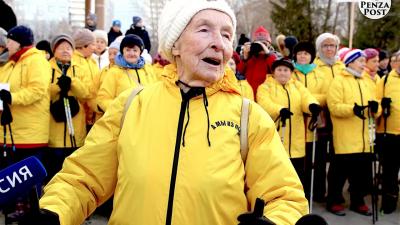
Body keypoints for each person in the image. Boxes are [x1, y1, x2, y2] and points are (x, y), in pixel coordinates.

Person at [25, 1, 308, 224]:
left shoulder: (249, 117)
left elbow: (285, 197)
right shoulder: (131, 104)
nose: (219, 43)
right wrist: (53, 213)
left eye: (226, 34)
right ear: (175, 45)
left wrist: (276, 222)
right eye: (204, 29)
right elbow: (82, 180)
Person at [0, 25, 51, 222]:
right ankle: (20, 208)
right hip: (12, 128)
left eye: (10, 40)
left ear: (19, 41)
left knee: (28, 173)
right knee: (15, 173)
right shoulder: (11, 63)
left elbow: (37, 90)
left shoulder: (35, 61)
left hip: (31, 130)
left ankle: (33, 211)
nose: (7, 44)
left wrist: (12, 97)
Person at [326, 49, 380, 216]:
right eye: (360, 61)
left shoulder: (367, 81)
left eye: (364, 61)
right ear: (350, 62)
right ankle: (334, 201)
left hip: (364, 137)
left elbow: (375, 103)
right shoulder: (339, 81)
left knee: (360, 173)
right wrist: (352, 109)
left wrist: (376, 108)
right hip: (345, 136)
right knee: (339, 172)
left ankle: (358, 201)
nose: (364, 64)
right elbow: (334, 106)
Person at [257, 58, 320, 194]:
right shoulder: (265, 87)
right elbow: (264, 103)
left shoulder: (297, 86)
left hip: (296, 142)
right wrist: (279, 110)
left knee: (297, 175)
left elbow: (306, 98)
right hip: (277, 137)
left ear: (291, 72)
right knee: (277, 174)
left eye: (286, 70)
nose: (283, 73)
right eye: (279, 70)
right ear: (273, 72)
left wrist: (312, 106)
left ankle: (297, 201)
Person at [46, 34, 91, 181]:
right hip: (54, 130)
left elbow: (86, 94)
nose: (65, 50)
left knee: (72, 173)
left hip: (75, 129)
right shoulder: (47, 68)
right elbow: (43, 94)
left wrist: (72, 82)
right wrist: (58, 86)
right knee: (54, 172)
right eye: (61, 47)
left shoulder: (80, 68)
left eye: (68, 47)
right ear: (54, 50)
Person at [292, 41, 327, 200]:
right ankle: (300, 192)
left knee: (317, 158)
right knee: (301, 161)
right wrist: (303, 101)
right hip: (297, 120)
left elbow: (327, 95)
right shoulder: (291, 73)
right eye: (300, 54)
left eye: (306, 53)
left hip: (315, 119)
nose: (303, 56)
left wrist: (310, 100)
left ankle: (318, 191)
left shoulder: (319, 74)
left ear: (311, 56)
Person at [97, 34, 156, 112]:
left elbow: (156, 93)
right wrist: (120, 111)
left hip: (146, 118)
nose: (131, 53)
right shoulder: (114, 72)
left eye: (135, 50)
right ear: (122, 52)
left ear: (140, 52)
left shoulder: (148, 69)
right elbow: (103, 99)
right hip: (123, 120)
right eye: (128, 50)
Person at [376, 51, 400, 214]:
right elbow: (375, 104)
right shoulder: (384, 81)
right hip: (389, 133)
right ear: (394, 63)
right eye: (398, 60)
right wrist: (381, 105)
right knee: (390, 171)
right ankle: (389, 203)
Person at [236, 26, 277, 98]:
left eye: (264, 43)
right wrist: (245, 58)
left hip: (266, 97)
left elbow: (275, 70)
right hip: (249, 96)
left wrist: (268, 54)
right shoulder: (249, 58)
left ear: (269, 44)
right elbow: (239, 73)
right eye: (258, 43)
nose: (261, 46)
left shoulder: (273, 57)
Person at [71, 28, 100, 130]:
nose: (95, 47)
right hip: (79, 112)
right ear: (84, 45)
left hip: (94, 111)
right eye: (93, 44)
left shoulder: (93, 61)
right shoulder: (72, 61)